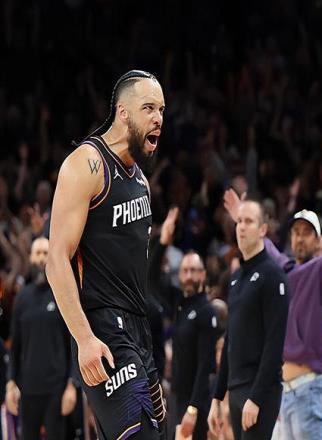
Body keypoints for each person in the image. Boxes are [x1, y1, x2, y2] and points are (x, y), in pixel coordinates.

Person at [46, 70, 166, 439]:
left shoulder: (140, 180)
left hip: (138, 331)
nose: (158, 118)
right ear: (123, 112)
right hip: (103, 330)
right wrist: (84, 338)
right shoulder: (87, 163)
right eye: (148, 108)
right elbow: (56, 260)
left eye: (162, 110)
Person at [223, 188, 322, 439]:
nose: (300, 238)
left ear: (317, 241)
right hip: (282, 393)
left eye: (307, 233)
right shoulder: (282, 269)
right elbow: (262, 245)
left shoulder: (321, 270)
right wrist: (241, 215)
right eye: (296, 232)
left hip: (308, 390)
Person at [208, 199, 289, 439]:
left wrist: (256, 397)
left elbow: (275, 343)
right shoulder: (236, 278)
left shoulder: (273, 276)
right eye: (239, 221)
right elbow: (230, 339)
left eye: (249, 221)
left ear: (263, 229)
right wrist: (217, 396)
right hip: (236, 388)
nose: (241, 227)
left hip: (259, 390)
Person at [6, 237, 77, 439]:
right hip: (28, 390)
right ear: (31, 257)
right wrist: (11, 382)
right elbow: (15, 345)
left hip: (56, 390)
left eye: (46, 253)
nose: (41, 258)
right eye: (37, 253)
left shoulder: (61, 294)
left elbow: (72, 343)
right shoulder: (22, 298)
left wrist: (72, 385)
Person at [159, 204, 219, 440]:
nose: (189, 276)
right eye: (185, 271)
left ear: (203, 274)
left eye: (194, 270)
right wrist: (163, 242)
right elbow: (152, 280)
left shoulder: (206, 311)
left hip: (195, 404)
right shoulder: (180, 305)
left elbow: (205, 365)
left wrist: (193, 409)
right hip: (177, 398)